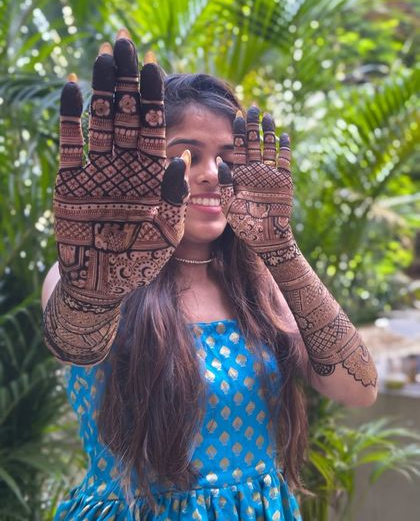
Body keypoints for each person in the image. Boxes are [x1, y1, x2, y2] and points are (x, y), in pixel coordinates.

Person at [42, 30, 378, 520]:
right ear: (143, 164)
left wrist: (281, 249)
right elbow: (75, 342)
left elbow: (359, 388)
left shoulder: (259, 282)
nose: (210, 174)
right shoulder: (87, 273)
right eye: (187, 155)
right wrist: (97, 291)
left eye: (226, 159)